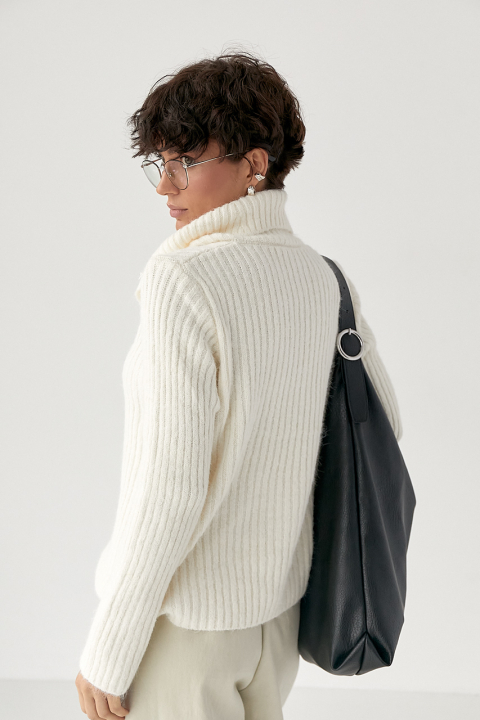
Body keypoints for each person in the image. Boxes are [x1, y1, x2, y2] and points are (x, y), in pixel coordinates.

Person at [75, 50, 403, 720]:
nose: (166, 186)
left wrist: (109, 647)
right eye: (159, 162)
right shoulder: (324, 278)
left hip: (184, 633)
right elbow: (382, 423)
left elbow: (170, 488)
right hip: (277, 626)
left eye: (185, 161)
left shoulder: (183, 280)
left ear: (255, 164)